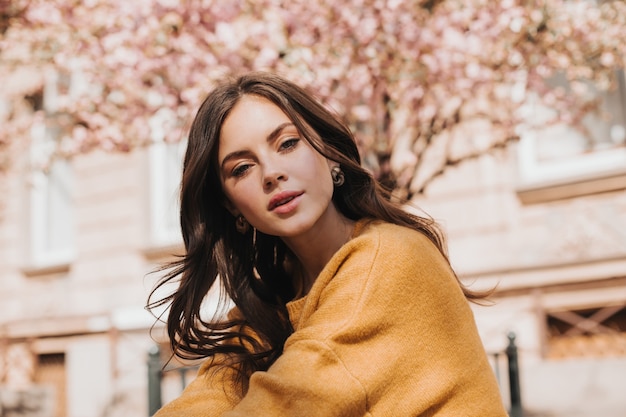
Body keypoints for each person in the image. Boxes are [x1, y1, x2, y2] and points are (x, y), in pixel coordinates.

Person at [147, 71, 508, 416]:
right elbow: (205, 398)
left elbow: (287, 405)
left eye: (287, 144)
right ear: (230, 206)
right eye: (242, 168)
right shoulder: (270, 303)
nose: (272, 173)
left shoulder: (391, 258)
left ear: (330, 152)